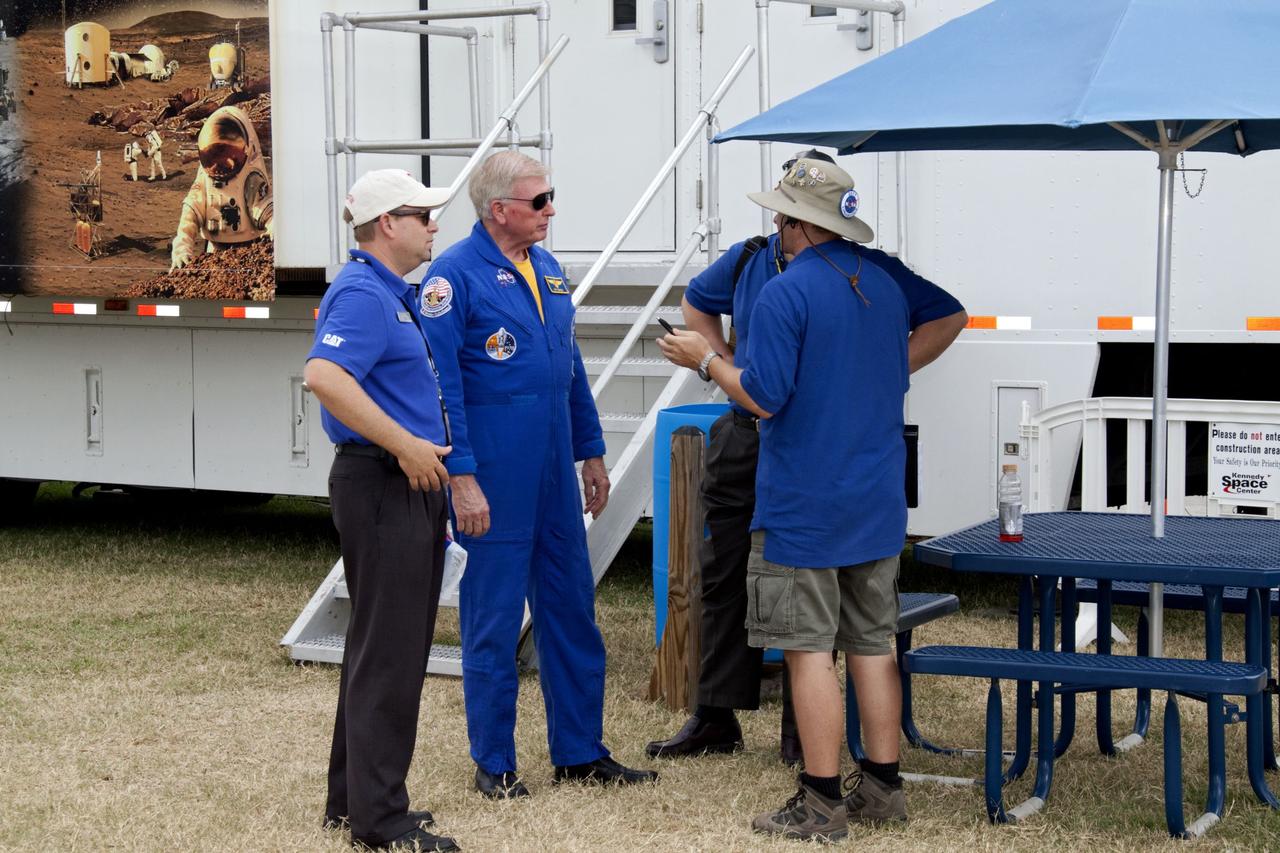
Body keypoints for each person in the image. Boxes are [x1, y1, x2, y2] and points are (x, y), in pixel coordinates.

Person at [646, 150, 966, 764]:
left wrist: (710, 363)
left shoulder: (794, 288)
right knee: (763, 594)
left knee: (805, 634)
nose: (775, 226)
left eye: (781, 213)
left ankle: (814, 769)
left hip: (797, 469)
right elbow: (704, 308)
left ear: (796, 220)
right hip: (842, 474)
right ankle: (872, 776)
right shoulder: (817, 270)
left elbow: (766, 396)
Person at [418, 151, 657, 799]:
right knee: (493, 617)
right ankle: (493, 761)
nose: (551, 210)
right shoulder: (452, 278)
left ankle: (579, 750)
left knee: (571, 607)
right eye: (540, 200)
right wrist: (460, 476)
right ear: (499, 210)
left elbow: (568, 365)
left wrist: (592, 450)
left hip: (554, 470)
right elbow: (441, 390)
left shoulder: (546, 269)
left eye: (551, 198)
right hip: (493, 475)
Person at [305, 169, 459, 852]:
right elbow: (324, 375)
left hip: (398, 483)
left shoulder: (385, 292)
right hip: (384, 483)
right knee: (391, 655)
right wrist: (405, 446)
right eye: (420, 213)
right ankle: (380, 819)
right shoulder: (366, 293)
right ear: (385, 224)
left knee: (380, 649)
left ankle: (354, 800)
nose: (433, 224)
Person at [171, 105, 273, 270]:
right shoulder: (205, 181)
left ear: (248, 148)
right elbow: (189, 217)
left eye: (228, 156)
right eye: (213, 157)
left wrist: (275, 231)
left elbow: (267, 210)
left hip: (251, 252)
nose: (218, 167)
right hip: (214, 253)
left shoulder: (251, 180)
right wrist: (181, 249)